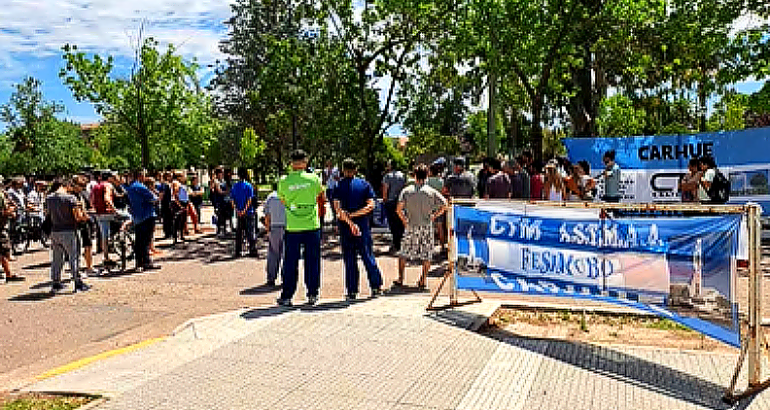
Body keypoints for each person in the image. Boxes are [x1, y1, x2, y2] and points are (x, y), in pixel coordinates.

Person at [277, 150, 325, 307]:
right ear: (305, 162)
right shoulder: (314, 179)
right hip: (312, 224)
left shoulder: (284, 181)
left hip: (293, 226)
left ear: (291, 163)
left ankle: (287, 296)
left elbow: (282, 200)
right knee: (312, 261)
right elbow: (320, 197)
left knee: (290, 262)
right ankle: (312, 293)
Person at [333, 158, 384, 300]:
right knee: (368, 256)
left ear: (343, 169)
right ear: (356, 169)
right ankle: (375, 286)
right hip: (362, 226)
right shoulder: (364, 184)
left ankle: (352, 290)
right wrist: (356, 216)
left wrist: (349, 220)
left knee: (349, 260)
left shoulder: (337, 186)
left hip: (345, 227)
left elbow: (338, 209)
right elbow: (371, 205)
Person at [396, 165, 447, 289]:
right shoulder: (431, 191)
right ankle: (423, 279)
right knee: (427, 253)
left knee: (404, 252)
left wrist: (404, 220)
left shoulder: (407, 191)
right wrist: (434, 215)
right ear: (427, 176)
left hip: (411, 224)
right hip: (426, 225)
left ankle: (401, 278)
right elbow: (445, 204)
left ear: (414, 175)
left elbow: (398, 209)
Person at [47, 177, 91, 294]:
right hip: (69, 231)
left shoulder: (49, 198)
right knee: (74, 257)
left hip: (55, 231)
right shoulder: (70, 198)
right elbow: (78, 217)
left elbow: (48, 214)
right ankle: (78, 283)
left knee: (57, 258)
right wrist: (85, 217)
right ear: (66, 185)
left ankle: (55, 283)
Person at [126, 170, 161, 272]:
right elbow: (153, 198)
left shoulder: (130, 188)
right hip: (147, 215)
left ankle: (140, 263)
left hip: (137, 217)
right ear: (140, 176)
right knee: (145, 241)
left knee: (139, 241)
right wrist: (157, 197)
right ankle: (145, 262)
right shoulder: (140, 187)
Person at [71, 176, 97, 276]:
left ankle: (89, 267)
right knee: (76, 249)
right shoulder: (73, 196)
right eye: (81, 185)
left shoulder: (80, 194)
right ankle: (78, 270)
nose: (83, 187)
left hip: (84, 223)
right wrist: (85, 216)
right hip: (78, 224)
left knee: (88, 245)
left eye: (84, 185)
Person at [91, 171, 117, 266]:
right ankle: (118, 238)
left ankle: (106, 256)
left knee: (104, 235)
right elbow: (107, 198)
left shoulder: (95, 187)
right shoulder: (108, 185)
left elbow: (91, 200)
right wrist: (114, 209)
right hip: (108, 212)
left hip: (99, 213)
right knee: (128, 218)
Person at [0, 180, 24, 282]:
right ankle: (8, 274)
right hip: (1, 226)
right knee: (3, 250)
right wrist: (10, 211)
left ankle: (6, 273)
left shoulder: (3, 194)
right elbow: (2, 212)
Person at [382, 160, 407, 254]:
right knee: (400, 222)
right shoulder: (402, 175)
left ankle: (396, 244)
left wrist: (385, 199)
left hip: (391, 202)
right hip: (401, 201)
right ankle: (402, 243)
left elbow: (385, 189)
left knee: (393, 224)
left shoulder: (387, 176)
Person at [263, 184, 286, 287]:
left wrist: (267, 229)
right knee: (287, 254)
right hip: (287, 227)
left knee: (273, 253)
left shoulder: (270, 197)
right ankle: (285, 277)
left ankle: (271, 277)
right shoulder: (287, 196)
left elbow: (267, 216)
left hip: (274, 227)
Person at [231, 168, 257, 257]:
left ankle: (238, 251)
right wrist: (245, 210)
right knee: (250, 232)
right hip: (249, 212)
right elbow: (250, 200)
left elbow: (232, 200)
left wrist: (237, 210)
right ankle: (252, 250)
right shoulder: (249, 186)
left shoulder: (235, 186)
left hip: (239, 212)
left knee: (239, 233)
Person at [160, 172, 174, 239]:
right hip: (166, 203)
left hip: (168, 202)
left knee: (169, 218)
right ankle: (167, 233)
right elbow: (162, 194)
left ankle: (170, 232)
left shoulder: (168, 184)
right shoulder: (164, 185)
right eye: (170, 176)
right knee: (167, 219)